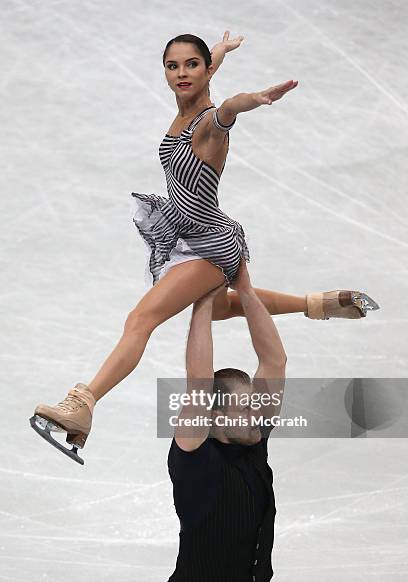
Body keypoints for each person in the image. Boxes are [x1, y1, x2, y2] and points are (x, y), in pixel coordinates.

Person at [29, 32, 379, 464]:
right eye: (173, 66)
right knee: (218, 308)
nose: (181, 73)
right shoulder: (187, 102)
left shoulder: (210, 125)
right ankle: (318, 303)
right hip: (183, 236)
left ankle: (84, 403)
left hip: (211, 245)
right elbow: (204, 67)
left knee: (141, 317)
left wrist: (255, 98)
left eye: (191, 65)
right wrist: (220, 51)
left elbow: (229, 108)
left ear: (205, 72)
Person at [155, 259, 284, 582]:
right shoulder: (196, 459)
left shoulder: (253, 442)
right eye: (244, 409)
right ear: (214, 419)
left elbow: (274, 361)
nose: (257, 414)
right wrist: (203, 300)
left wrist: (244, 288)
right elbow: (198, 379)